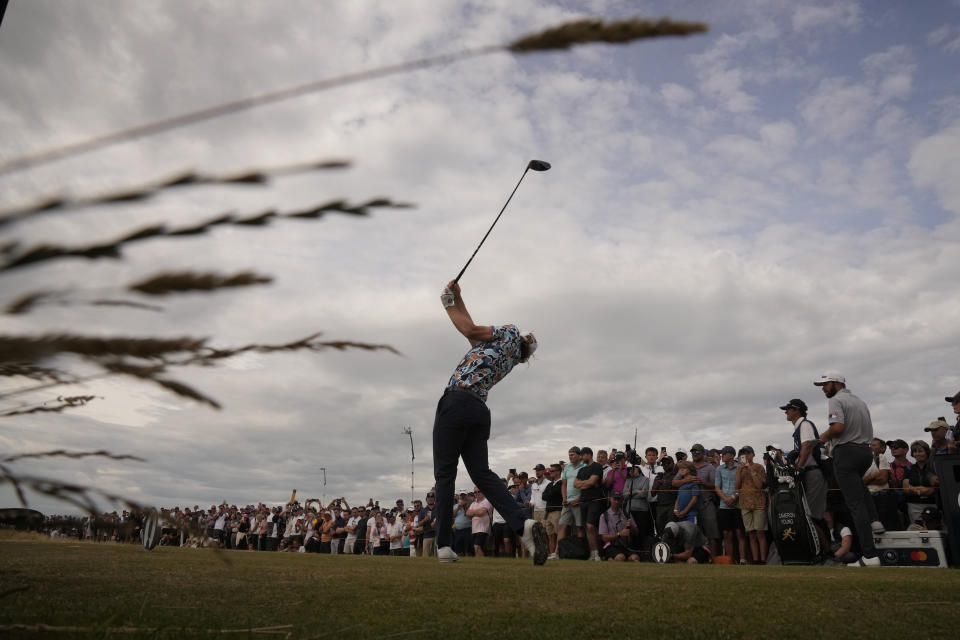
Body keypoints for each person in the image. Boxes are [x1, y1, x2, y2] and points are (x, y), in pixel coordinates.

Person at [431, 281, 547, 565]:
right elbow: (471, 330)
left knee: (445, 475)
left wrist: (446, 304)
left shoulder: (508, 332)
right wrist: (457, 298)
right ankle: (523, 524)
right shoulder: (510, 357)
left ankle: (444, 546)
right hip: (479, 410)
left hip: (456, 402)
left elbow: (469, 329)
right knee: (481, 474)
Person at [814, 371, 883, 566]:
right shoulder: (860, 401)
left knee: (855, 505)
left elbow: (837, 427)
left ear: (837, 383)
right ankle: (875, 520)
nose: (823, 388)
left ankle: (870, 556)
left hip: (846, 452)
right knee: (859, 488)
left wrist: (821, 439)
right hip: (865, 452)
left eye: (825, 384)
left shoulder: (836, 400)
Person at [735, 446, 768, 564]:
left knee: (760, 532)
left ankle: (763, 560)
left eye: (748, 453)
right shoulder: (739, 469)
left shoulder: (759, 467)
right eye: (743, 454)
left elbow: (760, 485)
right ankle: (755, 559)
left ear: (753, 454)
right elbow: (737, 487)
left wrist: (750, 469)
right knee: (751, 534)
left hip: (759, 503)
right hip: (745, 504)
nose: (746, 456)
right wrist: (739, 471)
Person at [714, 446, 746, 563]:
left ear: (731, 455)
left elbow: (743, 485)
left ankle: (742, 559)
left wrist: (733, 497)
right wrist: (725, 499)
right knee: (727, 534)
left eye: (724, 453)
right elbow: (717, 487)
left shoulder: (740, 467)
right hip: (724, 505)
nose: (722, 455)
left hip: (738, 505)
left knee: (739, 533)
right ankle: (730, 560)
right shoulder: (719, 469)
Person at [574, 446, 604, 562]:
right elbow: (575, 484)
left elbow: (592, 482)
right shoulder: (581, 470)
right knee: (587, 527)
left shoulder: (596, 466)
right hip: (583, 501)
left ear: (589, 455)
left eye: (582, 455)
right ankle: (592, 553)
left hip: (595, 500)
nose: (581, 457)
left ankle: (597, 553)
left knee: (591, 526)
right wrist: (585, 484)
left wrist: (584, 484)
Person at [902, 440, 939, 525]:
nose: (917, 454)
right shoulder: (908, 469)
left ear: (927, 452)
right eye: (915, 451)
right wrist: (923, 490)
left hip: (934, 504)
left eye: (920, 451)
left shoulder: (934, 468)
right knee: (917, 531)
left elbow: (939, 486)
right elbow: (906, 488)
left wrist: (917, 490)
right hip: (914, 505)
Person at [598, 492, 639, 561]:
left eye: (619, 499)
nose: (617, 501)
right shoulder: (604, 516)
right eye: (615, 499)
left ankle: (612, 559)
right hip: (611, 546)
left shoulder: (626, 513)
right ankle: (609, 558)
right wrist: (619, 534)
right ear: (610, 499)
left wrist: (631, 526)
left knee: (635, 558)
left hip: (626, 545)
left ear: (621, 501)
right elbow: (604, 538)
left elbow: (636, 532)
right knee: (620, 558)